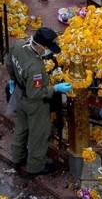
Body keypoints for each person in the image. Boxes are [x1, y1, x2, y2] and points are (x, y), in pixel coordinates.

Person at [6, 27, 71, 177]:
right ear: (41, 46)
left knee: (21, 128)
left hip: (19, 94)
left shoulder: (18, 45)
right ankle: (35, 167)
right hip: (34, 104)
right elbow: (35, 93)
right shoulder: (35, 67)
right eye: (48, 48)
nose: (48, 52)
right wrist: (55, 88)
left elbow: (9, 62)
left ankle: (17, 157)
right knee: (39, 134)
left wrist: (13, 79)